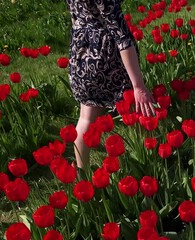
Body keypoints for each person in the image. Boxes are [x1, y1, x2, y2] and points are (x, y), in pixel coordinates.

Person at [66, 0, 156, 169]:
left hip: (81, 54)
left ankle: (81, 172)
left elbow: (76, 17)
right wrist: (138, 86)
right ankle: (147, 163)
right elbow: (122, 37)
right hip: (107, 57)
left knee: (86, 118)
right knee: (134, 109)